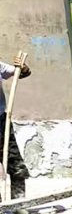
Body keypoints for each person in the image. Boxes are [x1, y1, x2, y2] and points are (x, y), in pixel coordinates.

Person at [0, 54, 31, 199]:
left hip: (1, 123)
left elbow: (21, 72)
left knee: (16, 166)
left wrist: (22, 67)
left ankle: (18, 204)